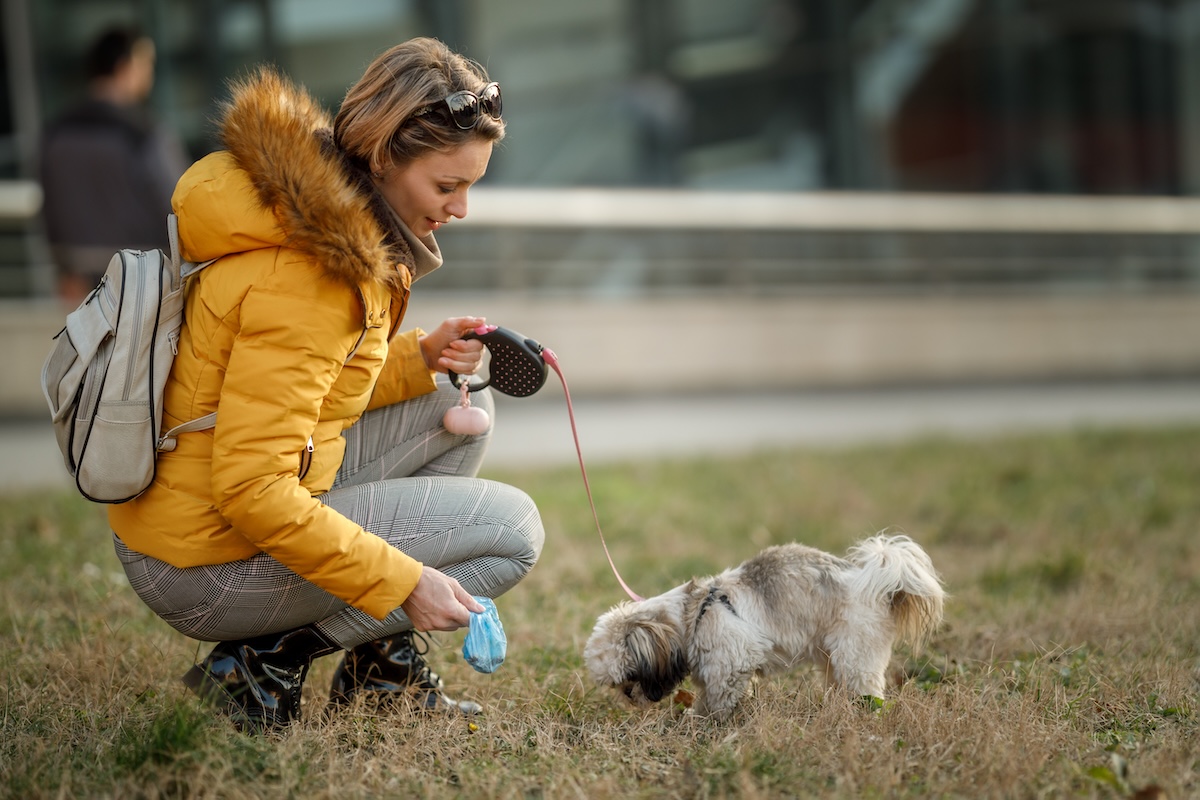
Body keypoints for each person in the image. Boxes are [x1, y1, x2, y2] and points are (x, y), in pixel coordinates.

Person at [107, 37, 545, 731]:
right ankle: (260, 663)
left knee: (453, 398)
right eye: (446, 186)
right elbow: (253, 490)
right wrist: (403, 582)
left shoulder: (319, 223)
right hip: (204, 565)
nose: (460, 210)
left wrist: (418, 357)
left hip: (192, 521)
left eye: (470, 187)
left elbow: (301, 395)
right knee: (512, 532)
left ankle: (381, 674)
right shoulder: (312, 275)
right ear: (381, 157)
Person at [40, 24, 189, 306]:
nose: (149, 73)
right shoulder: (144, 132)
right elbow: (179, 203)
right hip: (145, 278)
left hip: (80, 282)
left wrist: (64, 269)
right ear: (125, 66)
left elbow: (50, 208)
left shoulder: (56, 133)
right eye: (146, 63)